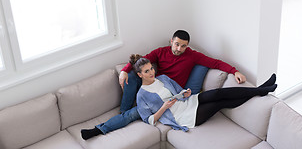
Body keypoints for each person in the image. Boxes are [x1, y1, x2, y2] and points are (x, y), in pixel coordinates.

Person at [81, 30, 247, 140]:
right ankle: (109, 121)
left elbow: (215, 62)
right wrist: (124, 70)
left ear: (187, 46)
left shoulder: (193, 56)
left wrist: (235, 71)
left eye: (183, 46)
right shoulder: (160, 52)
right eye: (176, 44)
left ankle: (99, 129)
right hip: (156, 91)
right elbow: (141, 61)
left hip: (173, 93)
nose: (179, 48)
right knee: (131, 93)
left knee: (133, 115)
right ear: (171, 41)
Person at [134, 56, 277, 130]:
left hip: (189, 102)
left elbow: (179, 91)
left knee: (217, 93)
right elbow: (149, 120)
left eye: (151, 68)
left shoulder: (163, 78)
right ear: (140, 75)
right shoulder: (141, 95)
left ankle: (260, 89)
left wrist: (185, 93)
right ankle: (261, 91)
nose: (152, 72)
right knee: (220, 104)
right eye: (147, 71)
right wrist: (164, 107)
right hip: (183, 117)